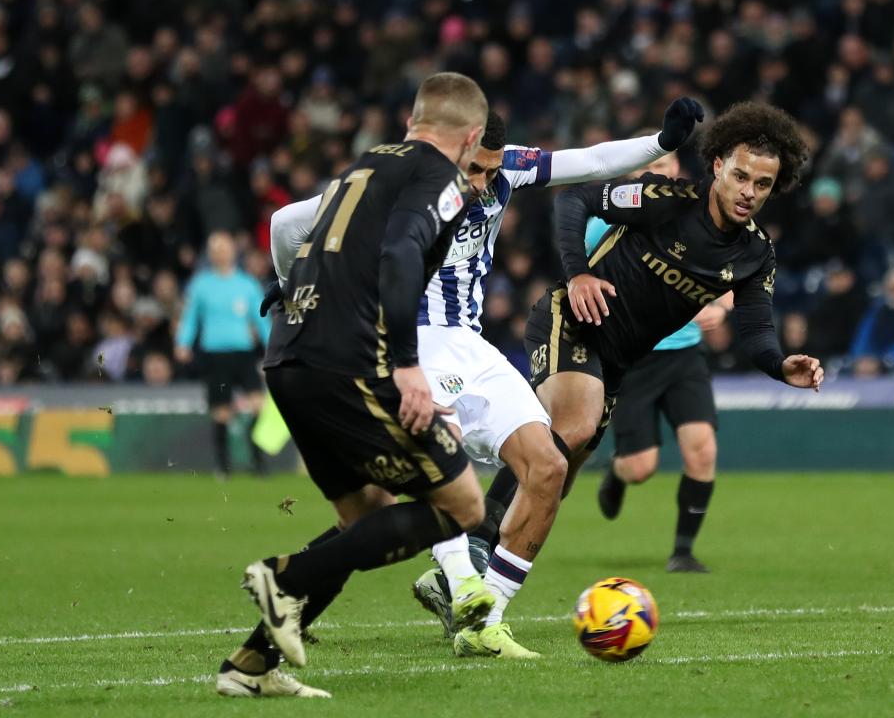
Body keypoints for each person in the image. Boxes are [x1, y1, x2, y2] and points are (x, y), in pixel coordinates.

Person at [267, 98, 705, 658]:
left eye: (491, 169)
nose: (483, 182)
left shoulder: (507, 168)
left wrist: (661, 144)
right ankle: (453, 584)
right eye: (474, 169)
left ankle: (482, 620)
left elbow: (593, 161)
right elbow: (287, 223)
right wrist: (294, 287)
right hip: (404, 346)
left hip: (469, 345)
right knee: (429, 472)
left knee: (548, 465)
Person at [454, 101, 824, 656]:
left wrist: (780, 365)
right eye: (741, 175)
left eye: (763, 184)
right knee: (572, 430)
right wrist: (578, 275)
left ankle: (478, 594)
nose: (749, 191)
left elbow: (754, 328)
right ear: (718, 165)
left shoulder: (755, 254)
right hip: (570, 322)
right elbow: (575, 199)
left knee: (556, 477)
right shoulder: (665, 200)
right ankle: (473, 555)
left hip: (618, 364)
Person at [218, 72, 489, 700]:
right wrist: (407, 365)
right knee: (464, 507)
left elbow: (298, 229)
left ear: (413, 120)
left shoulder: (364, 165)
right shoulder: (442, 179)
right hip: (348, 364)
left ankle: (250, 666)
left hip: (291, 358)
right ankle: (285, 577)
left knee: (363, 515)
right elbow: (400, 253)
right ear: (472, 137)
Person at [588, 147, 733, 574]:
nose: (657, 174)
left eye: (663, 166)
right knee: (640, 467)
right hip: (634, 357)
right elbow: (579, 278)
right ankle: (617, 472)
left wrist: (720, 307)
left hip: (685, 354)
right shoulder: (604, 224)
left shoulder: (700, 219)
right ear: (633, 176)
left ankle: (683, 552)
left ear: (676, 171)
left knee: (702, 449)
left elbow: (732, 275)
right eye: (648, 167)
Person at [174, 231, 270, 477]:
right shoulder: (201, 285)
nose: (220, 254)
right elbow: (190, 318)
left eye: (224, 249)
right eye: (215, 250)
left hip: (243, 353)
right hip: (215, 354)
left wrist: (272, 345)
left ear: (233, 252)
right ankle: (223, 466)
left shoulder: (247, 284)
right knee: (221, 412)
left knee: (258, 406)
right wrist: (183, 343)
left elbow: (261, 318)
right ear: (210, 254)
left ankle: (257, 462)